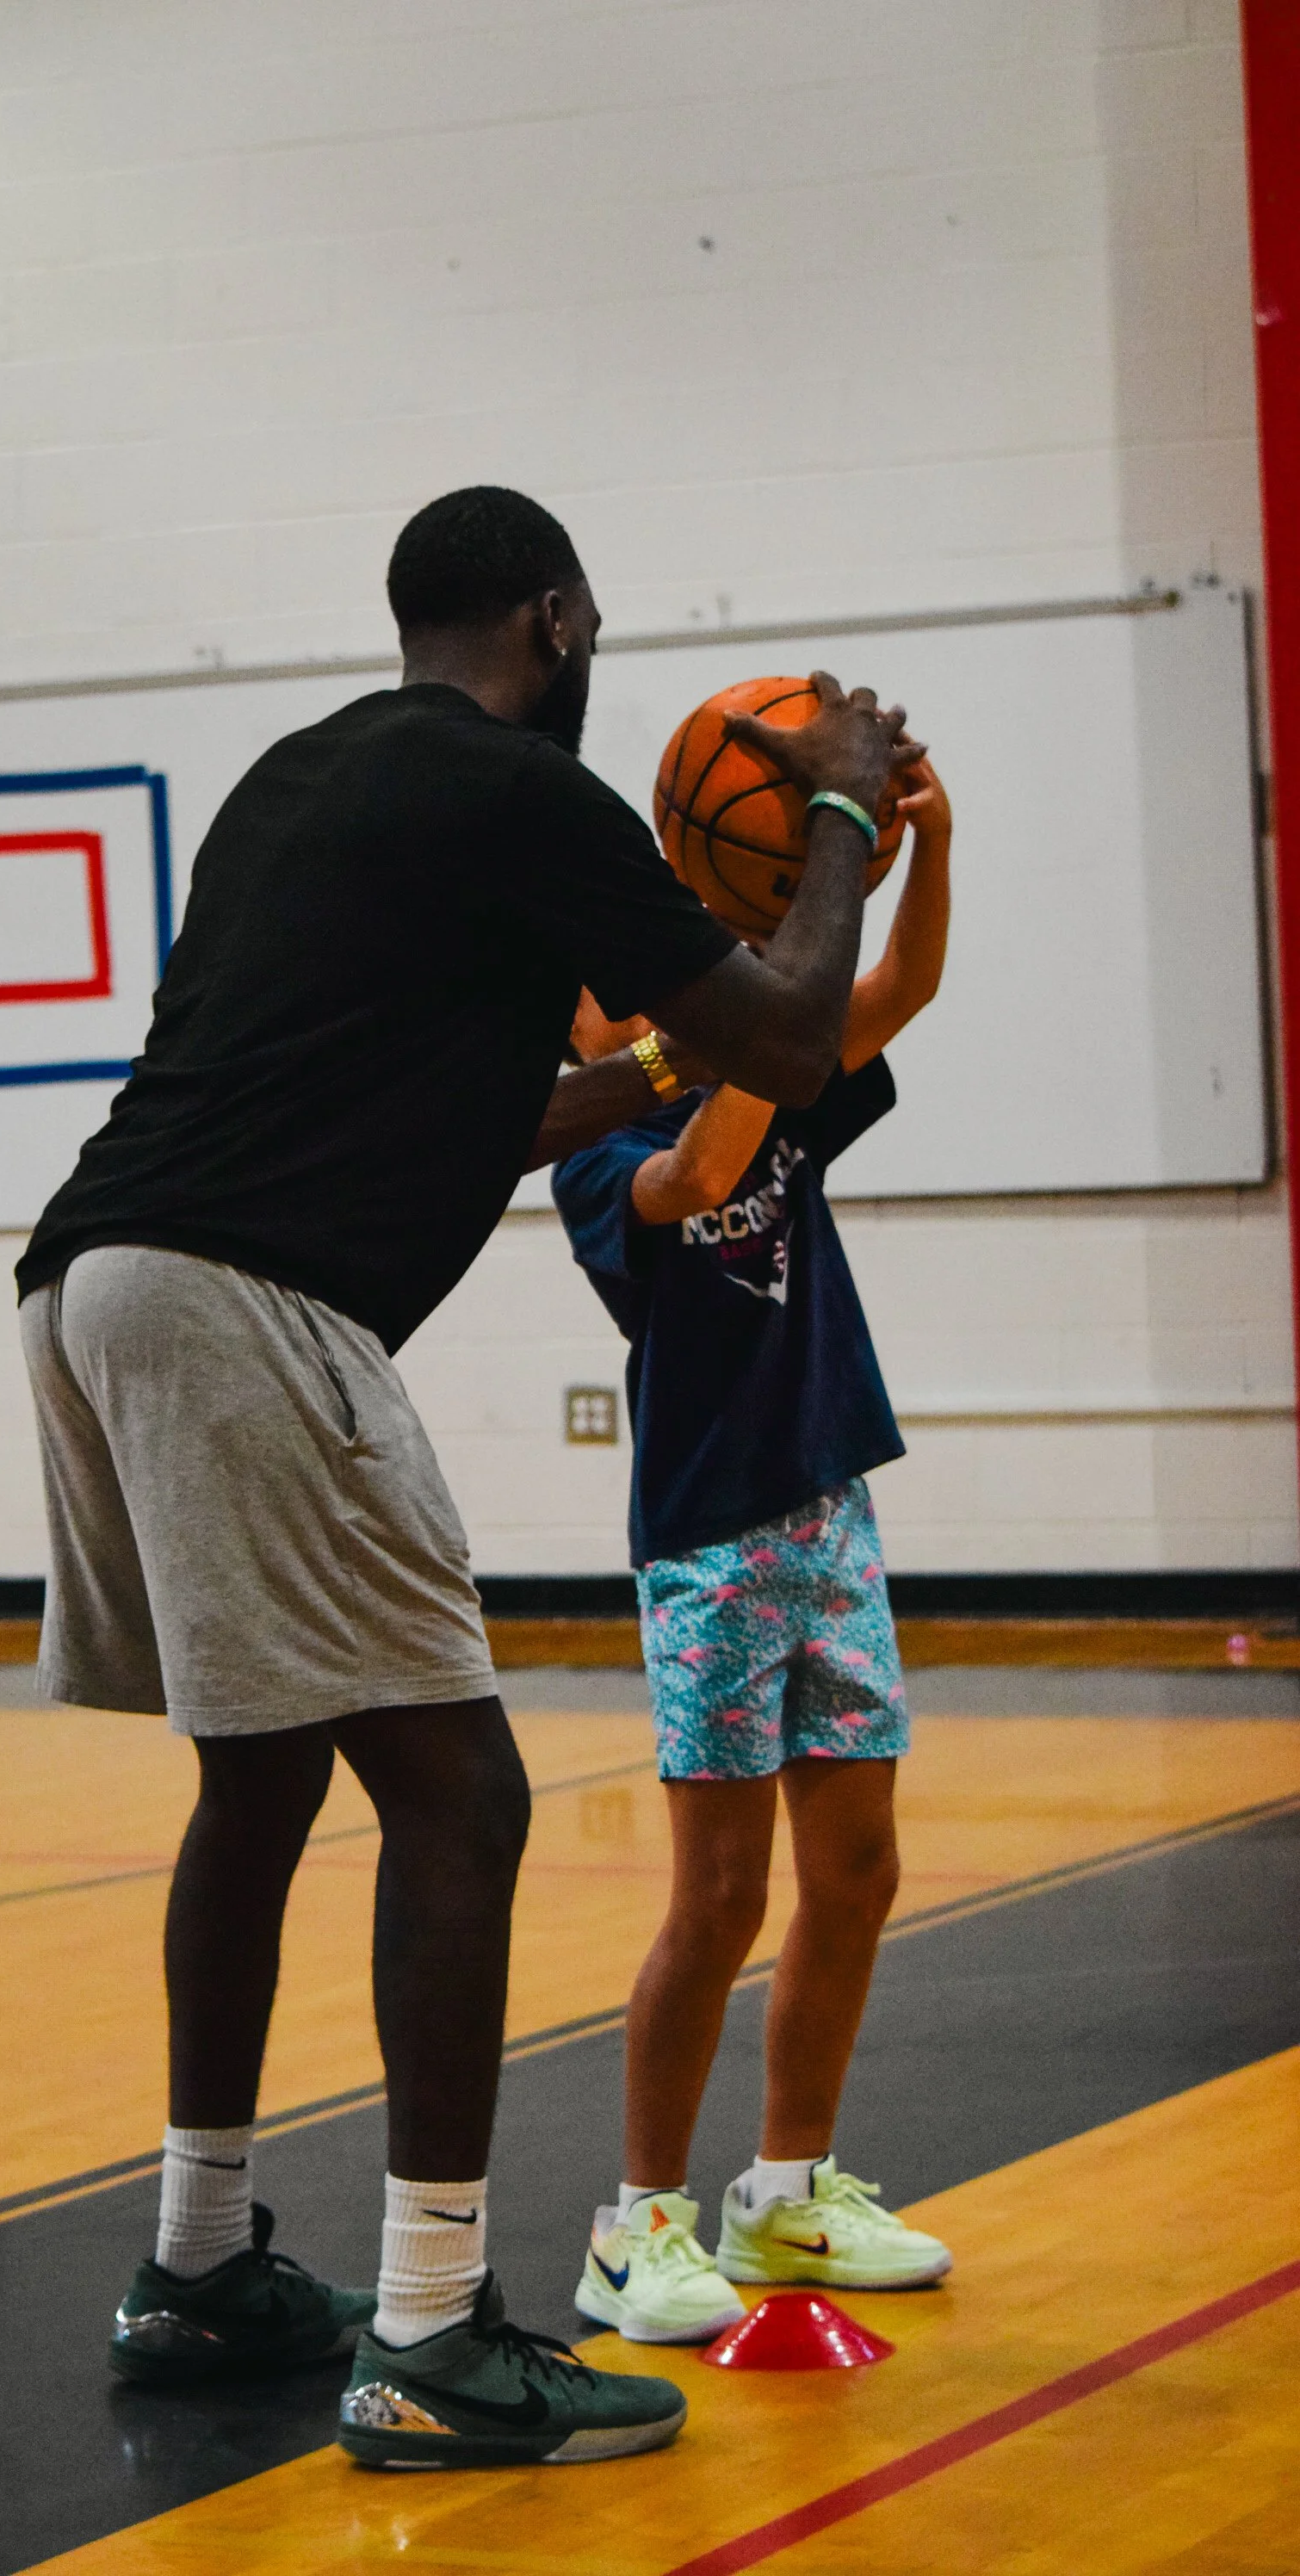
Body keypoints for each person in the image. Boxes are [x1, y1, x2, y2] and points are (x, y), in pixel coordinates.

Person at [14, 484, 921, 2469]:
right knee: (461, 1795)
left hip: (91, 1282)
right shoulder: (526, 795)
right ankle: (431, 2329)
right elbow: (784, 1011)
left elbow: (465, 1100)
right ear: (561, 615)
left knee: (256, 1777)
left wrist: (643, 1076)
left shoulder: (297, 779)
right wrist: (841, 812)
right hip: (252, 1302)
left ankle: (195, 2265)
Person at [554, 762, 955, 2348]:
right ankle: (636, 2223)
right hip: (709, 1546)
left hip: (829, 1515)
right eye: (605, 992)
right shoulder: (594, 1162)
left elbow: (907, 981)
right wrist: (772, 1007)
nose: (630, 993)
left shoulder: (773, 1067)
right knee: (716, 1899)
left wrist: (931, 838)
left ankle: (788, 2192)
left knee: (859, 1870)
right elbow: (702, 1178)